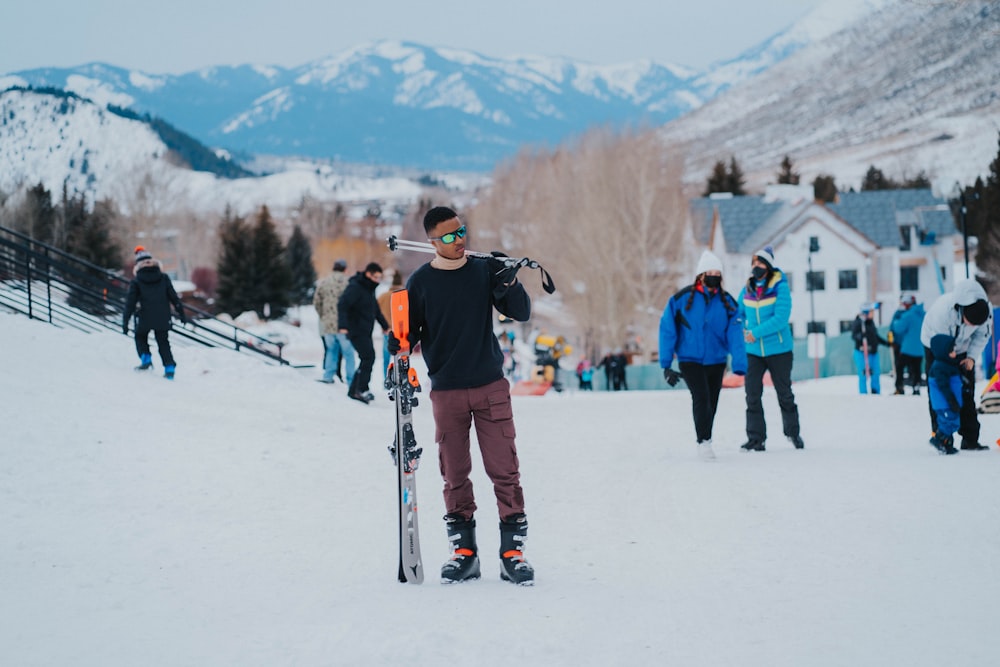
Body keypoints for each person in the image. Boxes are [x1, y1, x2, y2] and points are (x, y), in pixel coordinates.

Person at [395, 205, 534, 585]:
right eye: (450, 237)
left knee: (505, 470)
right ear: (432, 242)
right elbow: (410, 337)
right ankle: (464, 554)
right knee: (454, 474)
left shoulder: (483, 269)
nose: (460, 241)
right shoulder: (420, 282)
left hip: (490, 386)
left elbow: (520, 312)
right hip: (447, 392)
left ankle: (512, 554)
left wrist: (509, 281)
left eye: (463, 232)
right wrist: (399, 342)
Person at [659, 250, 748, 460]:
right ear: (700, 275)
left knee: (712, 401)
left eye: (718, 273)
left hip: (716, 360)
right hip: (690, 359)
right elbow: (667, 330)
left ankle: (706, 438)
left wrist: (740, 363)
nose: (714, 276)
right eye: (710, 272)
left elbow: (736, 334)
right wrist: (666, 364)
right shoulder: (680, 300)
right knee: (701, 397)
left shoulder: (728, 302)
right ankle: (704, 442)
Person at [736, 246, 804, 451]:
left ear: (769, 265)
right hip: (754, 352)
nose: (756, 267)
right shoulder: (747, 288)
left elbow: (781, 319)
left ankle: (793, 433)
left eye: (760, 263)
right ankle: (756, 438)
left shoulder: (780, 287)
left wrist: (754, 333)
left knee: (784, 393)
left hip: (779, 350)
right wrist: (742, 331)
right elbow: (738, 314)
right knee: (752, 394)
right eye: (753, 263)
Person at [920, 278, 992, 451]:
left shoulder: (984, 312)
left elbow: (982, 336)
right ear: (962, 310)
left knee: (966, 390)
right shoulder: (943, 312)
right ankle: (942, 436)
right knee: (940, 387)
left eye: (976, 324)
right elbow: (940, 344)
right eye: (970, 322)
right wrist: (950, 358)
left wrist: (972, 358)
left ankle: (970, 438)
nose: (972, 326)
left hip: (963, 348)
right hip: (935, 344)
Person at [122, 245, 187, 380]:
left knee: (140, 336)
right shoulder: (163, 278)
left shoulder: (137, 281)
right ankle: (169, 368)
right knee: (163, 341)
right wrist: (181, 313)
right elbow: (173, 297)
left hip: (145, 316)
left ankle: (146, 360)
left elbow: (130, 303)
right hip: (163, 316)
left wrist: (125, 322)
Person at [337, 262, 389, 404]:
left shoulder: (368, 289)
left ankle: (355, 390)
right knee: (368, 357)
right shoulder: (356, 287)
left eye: (380, 277)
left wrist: (385, 326)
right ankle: (360, 390)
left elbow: (376, 310)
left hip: (365, 330)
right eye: (376, 277)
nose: (378, 280)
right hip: (356, 330)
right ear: (368, 274)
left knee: (367, 358)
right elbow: (342, 304)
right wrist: (343, 326)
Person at [313, 259, 353, 385]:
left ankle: (328, 376)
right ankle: (351, 380)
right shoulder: (348, 283)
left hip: (328, 325)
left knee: (331, 350)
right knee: (348, 354)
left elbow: (316, 302)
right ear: (345, 269)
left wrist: (324, 316)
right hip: (344, 325)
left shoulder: (324, 282)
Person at [926, 334, 962, 455]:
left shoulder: (948, 364)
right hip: (944, 402)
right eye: (951, 350)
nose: (954, 353)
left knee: (951, 421)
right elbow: (943, 386)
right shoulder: (940, 367)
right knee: (949, 422)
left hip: (948, 401)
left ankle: (947, 444)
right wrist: (951, 400)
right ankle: (938, 440)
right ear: (943, 351)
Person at [851, 305, 890, 394]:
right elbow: (854, 335)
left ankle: (875, 391)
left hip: (873, 352)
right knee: (863, 372)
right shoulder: (858, 322)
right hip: (862, 352)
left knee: (875, 373)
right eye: (871, 312)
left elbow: (875, 337)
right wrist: (860, 336)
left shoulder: (871, 323)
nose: (873, 314)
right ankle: (863, 392)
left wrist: (886, 343)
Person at [891, 295, 926, 395]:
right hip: (920, 348)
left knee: (900, 366)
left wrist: (896, 319)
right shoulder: (923, 314)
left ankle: (899, 387)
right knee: (917, 368)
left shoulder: (908, 315)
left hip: (908, 348)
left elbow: (898, 328)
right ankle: (916, 387)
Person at [377, 271, 404, 380]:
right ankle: (401, 380)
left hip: (387, 331)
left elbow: (375, 311)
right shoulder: (405, 296)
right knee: (402, 358)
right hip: (402, 332)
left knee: (386, 357)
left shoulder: (383, 296)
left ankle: (386, 379)